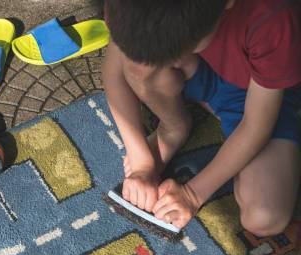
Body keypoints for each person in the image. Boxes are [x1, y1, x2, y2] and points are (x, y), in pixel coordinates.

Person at [102, 0, 301, 234]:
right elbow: (114, 68)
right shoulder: (135, 8)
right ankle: (174, 128)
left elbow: (256, 125)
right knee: (139, 60)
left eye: (186, 46)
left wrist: (193, 194)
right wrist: (140, 160)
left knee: (263, 217)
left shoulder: (272, 17)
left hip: (268, 95)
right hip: (209, 68)